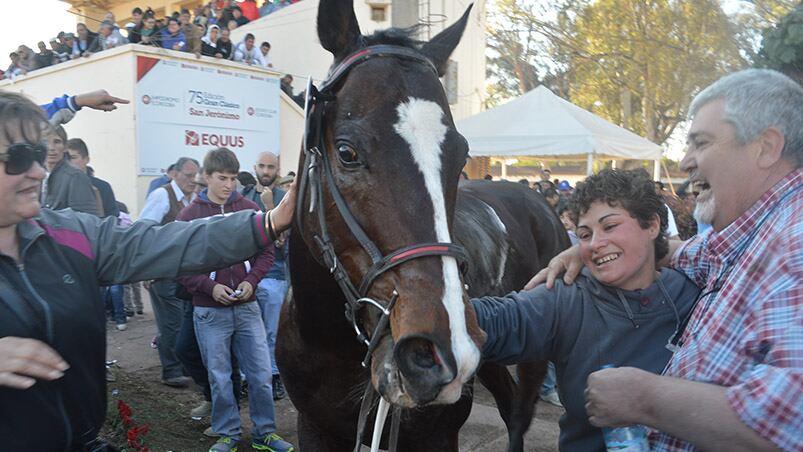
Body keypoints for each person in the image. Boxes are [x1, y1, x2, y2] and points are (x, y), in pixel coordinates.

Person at [0, 90, 297, 450]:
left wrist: (269, 223)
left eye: (36, 154)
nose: (37, 171)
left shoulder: (71, 234)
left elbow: (166, 243)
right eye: (17, 158)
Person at [530, 69, 803, 451]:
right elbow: (680, 254)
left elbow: (790, 425)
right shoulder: (751, 235)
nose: (685, 161)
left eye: (701, 143)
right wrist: (596, 246)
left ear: (766, 147)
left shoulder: (795, 240)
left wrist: (645, 398)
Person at [474, 169, 700, 451]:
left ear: (652, 225)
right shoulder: (567, 296)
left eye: (610, 226)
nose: (594, 244)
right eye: (584, 234)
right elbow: (497, 320)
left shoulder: (697, 294)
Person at [177, 148, 293, 452]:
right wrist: (207, 287)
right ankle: (227, 433)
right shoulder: (189, 216)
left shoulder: (247, 207)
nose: (229, 184)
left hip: (246, 306)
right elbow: (178, 263)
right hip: (209, 311)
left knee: (260, 373)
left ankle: (264, 433)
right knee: (219, 377)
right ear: (206, 177)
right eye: (222, 178)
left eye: (232, 178)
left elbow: (267, 251)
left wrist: (250, 281)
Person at [139, 157, 199, 387]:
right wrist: (148, 267)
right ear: (174, 173)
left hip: (184, 273)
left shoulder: (192, 199)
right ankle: (171, 371)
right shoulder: (162, 196)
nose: (193, 181)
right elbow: (145, 230)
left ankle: (181, 366)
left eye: (195, 176)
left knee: (183, 322)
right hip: (163, 272)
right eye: (188, 175)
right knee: (171, 322)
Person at [242, 151, 289, 400]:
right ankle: (245, 378)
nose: (266, 171)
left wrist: (270, 206)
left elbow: (282, 243)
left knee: (271, 332)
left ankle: (273, 376)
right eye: (261, 166)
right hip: (245, 275)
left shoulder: (285, 199)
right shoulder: (244, 196)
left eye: (270, 167)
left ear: (277, 168)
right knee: (246, 331)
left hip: (274, 275)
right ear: (255, 167)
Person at [41, 126, 99, 216]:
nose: (51, 147)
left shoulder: (76, 176)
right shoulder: (36, 175)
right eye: (45, 141)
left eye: (57, 142)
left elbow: (88, 220)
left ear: (65, 147)